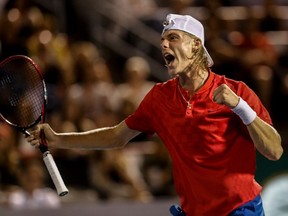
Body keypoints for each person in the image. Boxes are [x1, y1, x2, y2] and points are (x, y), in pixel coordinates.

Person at [26, 14, 283, 216]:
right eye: (162, 40)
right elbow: (116, 137)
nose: (163, 44)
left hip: (240, 211)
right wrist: (59, 139)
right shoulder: (159, 97)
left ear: (196, 45)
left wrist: (239, 106)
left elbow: (274, 151)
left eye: (172, 37)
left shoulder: (237, 91)